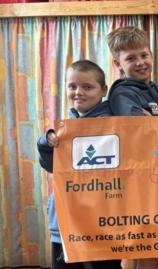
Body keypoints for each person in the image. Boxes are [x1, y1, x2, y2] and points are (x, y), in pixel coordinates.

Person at [107, 26, 158, 269]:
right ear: (118, 63)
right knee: (148, 252)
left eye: (143, 55)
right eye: (130, 58)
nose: (140, 62)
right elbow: (139, 130)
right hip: (142, 190)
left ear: (151, 55)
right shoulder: (122, 94)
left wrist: (157, 124)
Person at [37, 60, 122, 269]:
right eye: (72, 86)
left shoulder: (116, 124)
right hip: (67, 221)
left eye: (87, 87)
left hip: (102, 223)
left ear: (103, 90)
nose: (78, 92)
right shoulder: (66, 127)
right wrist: (46, 142)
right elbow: (52, 167)